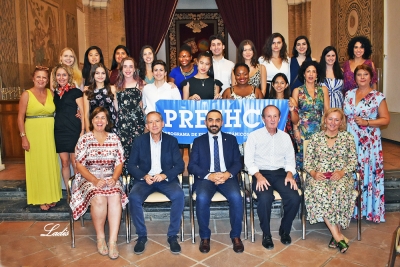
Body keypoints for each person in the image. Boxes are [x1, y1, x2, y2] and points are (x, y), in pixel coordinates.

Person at [70, 107, 128, 260]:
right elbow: (79, 165)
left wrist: (115, 179)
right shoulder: (84, 139)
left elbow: (119, 163)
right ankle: (101, 237)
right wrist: (95, 180)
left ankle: (113, 241)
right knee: (99, 197)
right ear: (92, 121)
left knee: (115, 195)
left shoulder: (114, 138)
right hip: (88, 178)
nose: (100, 121)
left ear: (107, 121)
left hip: (110, 176)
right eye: (96, 118)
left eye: (103, 118)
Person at [128, 111, 185, 254]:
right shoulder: (139, 141)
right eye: (150, 122)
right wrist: (144, 176)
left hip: (165, 179)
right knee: (134, 197)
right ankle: (141, 236)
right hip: (145, 180)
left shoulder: (171, 141)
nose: (154, 125)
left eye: (157, 121)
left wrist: (165, 175)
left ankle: (172, 236)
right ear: (146, 125)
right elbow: (131, 165)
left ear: (163, 123)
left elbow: (179, 166)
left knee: (179, 195)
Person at [188, 110, 244, 253]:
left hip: (227, 178)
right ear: (205, 122)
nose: (214, 123)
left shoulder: (231, 140)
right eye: (211, 120)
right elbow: (192, 166)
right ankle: (205, 237)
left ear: (222, 122)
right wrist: (209, 175)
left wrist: (227, 174)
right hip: (206, 179)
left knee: (237, 198)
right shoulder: (198, 141)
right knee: (201, 198)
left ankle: (236, 236)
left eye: (217, 120)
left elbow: (238, 162)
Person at [244, 105, 300, 250]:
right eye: (269, 116)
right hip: (261, 173)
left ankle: (285, 230)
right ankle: (267, 234)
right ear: (263, 119)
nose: (272, 119)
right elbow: (248, 161)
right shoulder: (254, 136)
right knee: (265, 198)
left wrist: (289, 173)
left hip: (281, 173)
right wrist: (258, 175)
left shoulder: (285, 137)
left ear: (279, 118)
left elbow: (290, 159)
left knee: (294, 197)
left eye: (275, 116)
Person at [304, 108, 358, 253]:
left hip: (341, 176)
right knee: (321, 191)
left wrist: (342, 172)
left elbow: (353, 161)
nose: (333, 123)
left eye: (336, 120)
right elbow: (307, 163)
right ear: (325, 120)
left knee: (338, 190)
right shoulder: (316, 138)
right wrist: (314, 173)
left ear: (341, 122)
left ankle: (336, 237)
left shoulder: (347, 138)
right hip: (319, 175)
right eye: (330, 119)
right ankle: (338, 236)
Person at [343, 64, 390, 223]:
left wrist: (367, 122)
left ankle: (369, 210)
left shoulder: (378, 96)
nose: (362, 77)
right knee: (351, 172)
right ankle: (351, 210)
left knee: (368, 172)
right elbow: (344, 117)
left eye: (365, 74)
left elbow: (385, 119)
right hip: (350, 138)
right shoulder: (348, 94)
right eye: (359, 75)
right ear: (354, 78)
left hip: (369, 141)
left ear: (371, 77)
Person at [17, 66, 62, 211]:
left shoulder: (51, 93)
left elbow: (60, 109)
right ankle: (40, 197)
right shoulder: (26, 94)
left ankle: (52, 196)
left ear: (48, 80)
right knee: (37, 165)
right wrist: (23, 137)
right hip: (33, 133)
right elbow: (20, 117)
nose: (41, 80)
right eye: (38, 77)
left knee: (49, 164)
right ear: (33, 78)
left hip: (49, 133)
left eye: (44, 77)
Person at [292, 61, 329, 171]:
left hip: (320, 130)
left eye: (314, 72)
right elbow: (294, 112)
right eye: (308, 71)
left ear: (317, 74)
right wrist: (295, 130)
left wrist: (327, 130)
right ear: (304, 74)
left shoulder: (323, 90)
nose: (311, 74)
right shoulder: (297, 91)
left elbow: (327, 111)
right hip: (302, 131)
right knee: (302, 160)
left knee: (319, 161)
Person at [52, 64, 84, 188]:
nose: (61, 77)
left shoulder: (76, 91)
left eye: (64, 75)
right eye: (58, 75)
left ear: (69, 76)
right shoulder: (54, 93)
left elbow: (82, 111)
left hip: (74, 130)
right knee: (64, 162)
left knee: (75, 162)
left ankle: (78, 190)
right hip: (59, 130)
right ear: (55, 77)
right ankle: (69, 191)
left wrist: (82, 131)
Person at [115, 57, 145, 176]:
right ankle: (125, 183)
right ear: (121, 69)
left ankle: (138, 182)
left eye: (131, 66)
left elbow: (145, 106)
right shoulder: (116, 87)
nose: (128, 69)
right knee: (124, 154)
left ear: (135, 69)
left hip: (137, 125)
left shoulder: (141, 85)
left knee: (138, 153)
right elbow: (116, 108)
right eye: (125, 66)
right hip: (122, 127)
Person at [83, 63, 117, 132]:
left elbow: (117, 110)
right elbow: (86, 114)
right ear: (93, 74)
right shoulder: (87, 91)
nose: (100, 76)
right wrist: (88, 132)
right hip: (95, 127)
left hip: (111, 126)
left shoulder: (112, 88)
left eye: (103, 73)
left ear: (106, 75)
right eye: (97, 73)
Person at [269, 73, 298, 151]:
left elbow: (295, 121)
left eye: (282, 83)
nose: (279, 85)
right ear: (272, 84)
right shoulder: (267, 101)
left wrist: (292, 110)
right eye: (276, 82)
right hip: (269, 137)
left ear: (286, 85)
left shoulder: (291, 100)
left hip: (286, 135)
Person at [259, 33, 291, 97]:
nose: (276, 45)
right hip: (268, 91)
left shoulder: (287, 59)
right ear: (269, 44)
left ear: (282, 44)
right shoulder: (262, 59)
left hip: (283, 92)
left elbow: (288, 78)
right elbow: (260, 79)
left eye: (279, 43)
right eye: (273, 43)